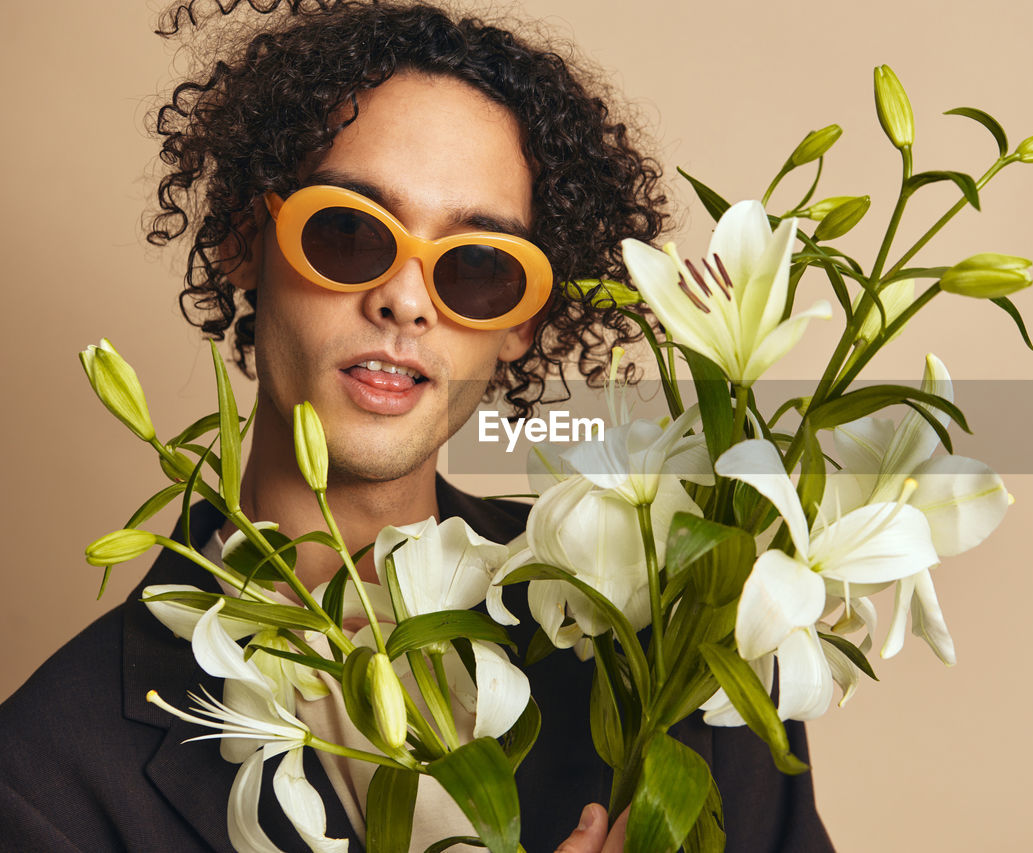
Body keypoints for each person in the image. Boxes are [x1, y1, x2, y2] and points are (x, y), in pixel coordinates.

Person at [0, 3, 833, 851]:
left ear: (524, 322)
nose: (405, 298)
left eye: (477, 267)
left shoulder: (679, 640)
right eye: (351, 233)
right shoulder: (45, 777)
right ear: (249, 239)